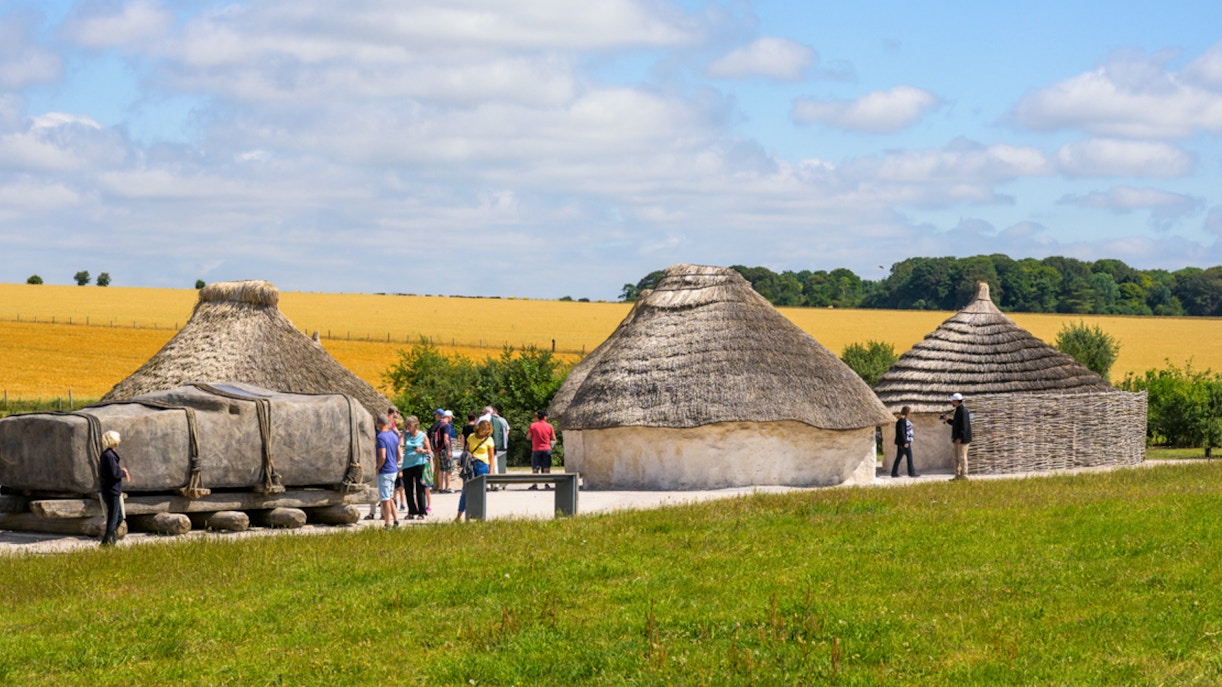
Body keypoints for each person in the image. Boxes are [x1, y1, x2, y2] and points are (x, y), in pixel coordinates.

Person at [455, 419, 495, 522]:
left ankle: (478, 517)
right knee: (466, 491)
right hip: (471, 465)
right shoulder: (471, 437)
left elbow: (491, 457)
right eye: (484, 429)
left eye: (488, 430)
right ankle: (459, 516)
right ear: (479, 429)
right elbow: (466, 450)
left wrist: (491, 472)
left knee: (479, 493)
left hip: (483, 465)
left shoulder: (489, 440)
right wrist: (468, 454)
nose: (486, 432)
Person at [98, 430, 130, 546]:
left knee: (119, 517)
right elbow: (114, 474)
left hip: (110, 490)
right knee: (113, 518)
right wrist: (123, 472)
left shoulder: (107, 455)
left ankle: (108, 540)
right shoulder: (109, 456)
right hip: (112, 491)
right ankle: (107, 543)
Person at [400, 415, 432, 520]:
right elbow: (400, 444)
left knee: (420, 489)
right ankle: (411, 511)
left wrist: (421, 450)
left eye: (410, 424)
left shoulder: (422, 435)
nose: (408, 426)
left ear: (415, 425)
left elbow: (429, 450)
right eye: (407, 424)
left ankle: (422, 512)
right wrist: (404, 432)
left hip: (419, 463)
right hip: (407, 464)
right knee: (408, 489)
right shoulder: (406, 435)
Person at [375, 414, 400, 528]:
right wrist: (394, 463)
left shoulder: (380, 437)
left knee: (384, 499)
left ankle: (387, 523)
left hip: (385, 471)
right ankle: (396, 520)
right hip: (393, 469)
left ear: (379, 424)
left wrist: (377, 467)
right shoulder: (394, 435)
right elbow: (399, 454)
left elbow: (382, 456)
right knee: (390, 497)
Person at [942, 393, 972, 480]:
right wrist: (948, 420)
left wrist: (960, 438)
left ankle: (964, 475)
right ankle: (957, 475)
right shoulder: (958, 410)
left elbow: (964, 426)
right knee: (956, 457)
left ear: (956, 401)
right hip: (956, 439)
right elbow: (956, 424)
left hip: (962, 440)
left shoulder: (963, 412)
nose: (952, 402)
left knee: (962, 457)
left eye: (953, 401)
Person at [479, 406, 511, 489]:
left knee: (486, 464)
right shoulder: (500, 420)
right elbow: (505, 431)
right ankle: (496, 483)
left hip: (485, 444)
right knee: (495, 464)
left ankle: (487, 484)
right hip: (496, 445)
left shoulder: (483, 420)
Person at [527, 410, 557, 489]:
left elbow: (528, 437)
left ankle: (535, 484)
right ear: (544, 417)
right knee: (546, 467)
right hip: (546, 448)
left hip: (536, 448)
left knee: (535, 467)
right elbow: (553, 438)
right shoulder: (549, 426)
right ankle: (546, 484)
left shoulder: (533, 426)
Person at [428, 409, 453, 494]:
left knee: (441, 469)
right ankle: (448, 487)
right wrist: (449, 450)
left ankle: (440, 488)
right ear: (449, 417)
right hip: (445, 449)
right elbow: (446, 439)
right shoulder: (446, 426)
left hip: (438, 449)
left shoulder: (438, 425)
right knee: (448, 469)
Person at [890, 406, 917, 478]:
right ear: (907, 412)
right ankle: (912, 473)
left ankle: (894, 472)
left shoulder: (903, 420)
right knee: (909, 457)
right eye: (909, 412)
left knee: (899, 457)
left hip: (904, 441)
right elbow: (901, 432)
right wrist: (905, 442)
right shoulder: (902, 421)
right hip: (905, 442)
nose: (910, 413)